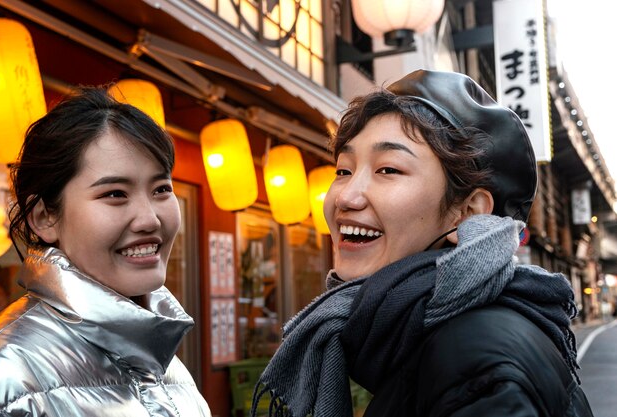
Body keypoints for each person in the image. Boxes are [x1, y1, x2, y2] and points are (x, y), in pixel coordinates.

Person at [251, 70, 594, 417]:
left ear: (468, 212)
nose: (347, 197)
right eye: (343, 171)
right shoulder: (428, 335)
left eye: (388, 170)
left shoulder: (474, 359)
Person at [0, 87, 211, 416]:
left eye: (161, 189)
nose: (150, 219)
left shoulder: (170, 368)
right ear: (44, 217)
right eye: (115, 194)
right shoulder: (7, 376)